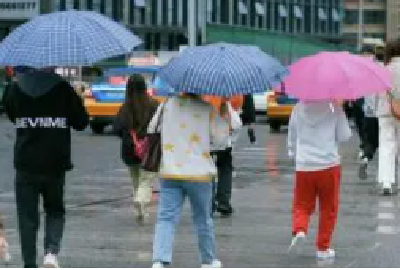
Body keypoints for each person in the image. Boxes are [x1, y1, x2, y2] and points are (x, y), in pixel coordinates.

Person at [2, 67, 89, 268]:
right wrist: (77, 98)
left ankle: (29, 264)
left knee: (26, 216)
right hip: (54, 162)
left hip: (26, 162)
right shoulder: (63, 89)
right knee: (55, 210)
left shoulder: (15, 89)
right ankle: (51, 252)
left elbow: (13, 114)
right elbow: (81, 123)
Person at [149, 94, 223, 268]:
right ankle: (208, 260)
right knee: (203, 218)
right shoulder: (207, 109)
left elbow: (152, 129)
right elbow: (221, 141)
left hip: (170, 171)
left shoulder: (165, 105)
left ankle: (159, 260)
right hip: (199, 173)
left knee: (166, 218)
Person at [287, 101, 351, 259]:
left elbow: (292, 135)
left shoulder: (298, 108)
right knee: (328, 208)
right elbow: (344, 136)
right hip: (328, 164)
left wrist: (292, 153)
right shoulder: (333, 107)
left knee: (302, 204)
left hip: (304, 165)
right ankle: (323, 248)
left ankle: (300, 229)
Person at [113, 74, 158, 223]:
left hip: (129, 150)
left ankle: (141, 211)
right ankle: (140, 201)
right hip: (149, 149)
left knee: (136, 180)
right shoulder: (153, 105)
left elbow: (117, 129)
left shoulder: (125, 107)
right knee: (146, 180)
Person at [376, 39, 400, 195]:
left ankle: (386, 182)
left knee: (386, 146)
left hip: (385, 111)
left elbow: (377, 93)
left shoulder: (382, 70)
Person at [358, 46, 380, 180]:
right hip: (383, 112)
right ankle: (385, 174)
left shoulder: (361, 71)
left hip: (368, 113)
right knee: (385, 142)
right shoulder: (382, 68)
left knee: (370, 141)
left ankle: (366, 158)